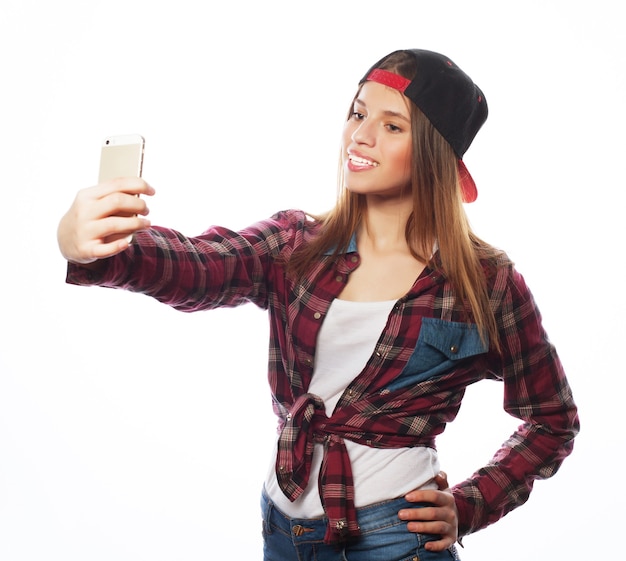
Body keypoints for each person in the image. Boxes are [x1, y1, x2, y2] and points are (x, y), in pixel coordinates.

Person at [57, 49, 579, 560]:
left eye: (392, 126)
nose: (361, 135)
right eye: (357, 113)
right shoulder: (296, 243)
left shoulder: (484, 282)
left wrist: (470, 505)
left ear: (434, 153)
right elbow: (201, 265)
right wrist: (102, 246)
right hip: (282, 529)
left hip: (395, 537)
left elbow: (552, 420)